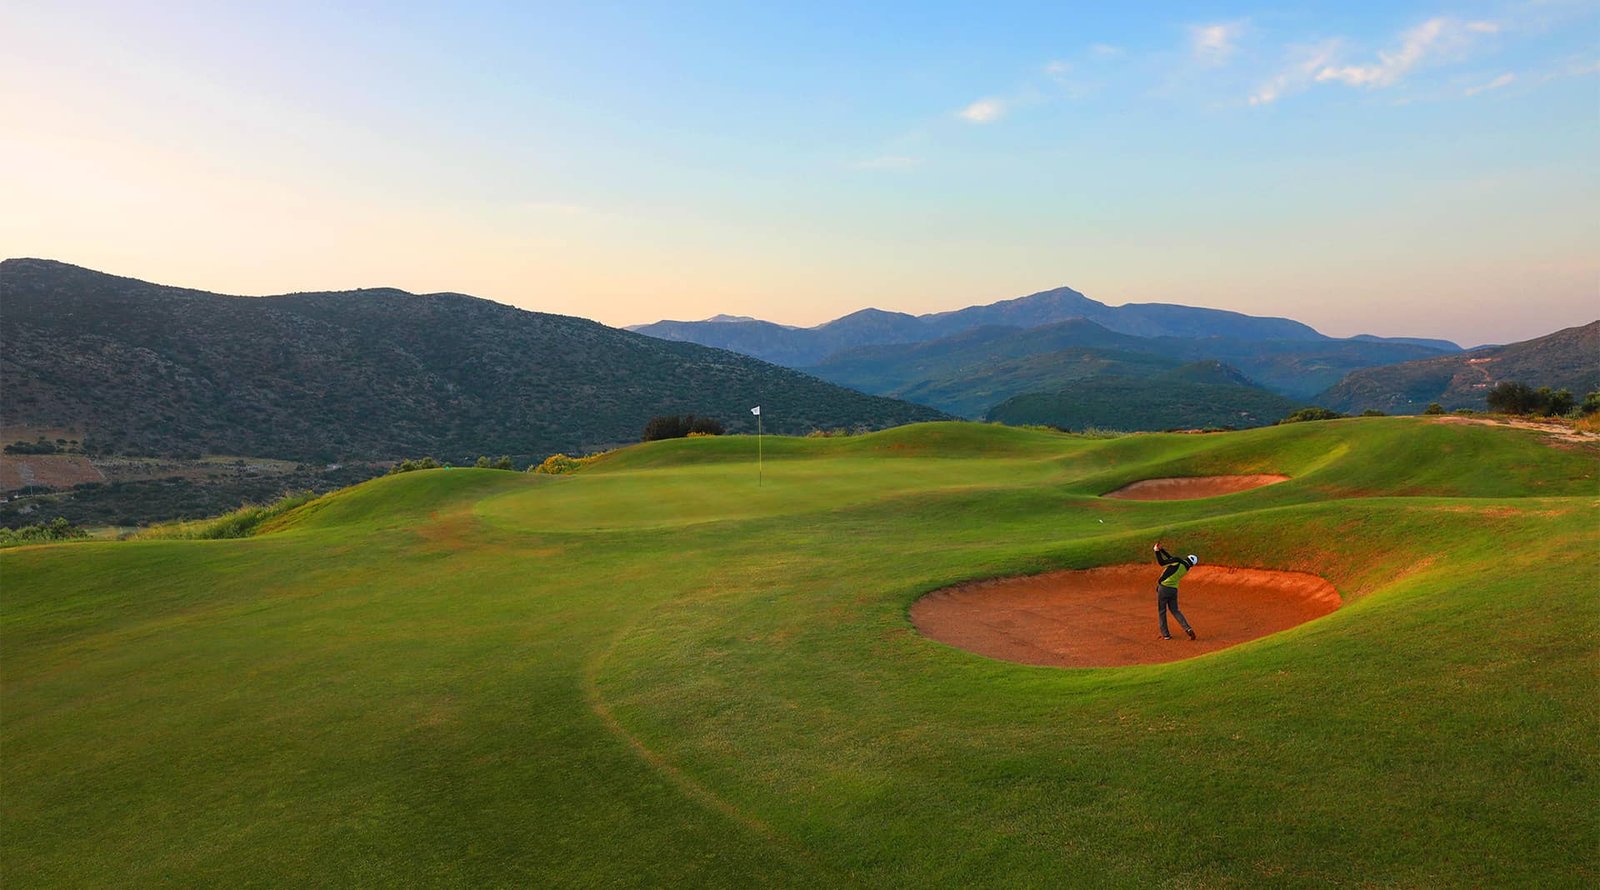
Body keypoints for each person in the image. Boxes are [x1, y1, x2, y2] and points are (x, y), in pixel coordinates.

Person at [1153, 543, 1198, 640]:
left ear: (1187, 557)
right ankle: (1188, 628)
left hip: (1164, 588)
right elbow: (1172, 558)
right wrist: (1162, 550)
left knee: (1162, 611)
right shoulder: (1186, 568)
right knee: (1175, 610)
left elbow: (1161, 562)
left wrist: (1156, 551)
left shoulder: (1177, 561)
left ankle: (1166, 635)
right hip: (1173, 590)